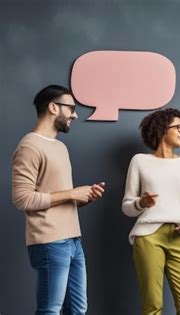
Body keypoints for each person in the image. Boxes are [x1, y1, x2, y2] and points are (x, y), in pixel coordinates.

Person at [11, 84, 105, 314]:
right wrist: (72, 193)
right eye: (70, 107)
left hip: (73, 240)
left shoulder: (61, 147)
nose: (75, 114)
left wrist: (83, 198)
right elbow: (22, 199)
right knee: (50, 310)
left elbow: (57, 197)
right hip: (50, 241)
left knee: (77, 310)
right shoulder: (30, 146)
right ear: (53, 107)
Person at [122, 108, 180, 315]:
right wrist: (142, 202)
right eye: (178, 127)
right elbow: (127, 206)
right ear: (161, 129)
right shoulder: (140, 161)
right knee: (152, 306)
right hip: (148, 237)